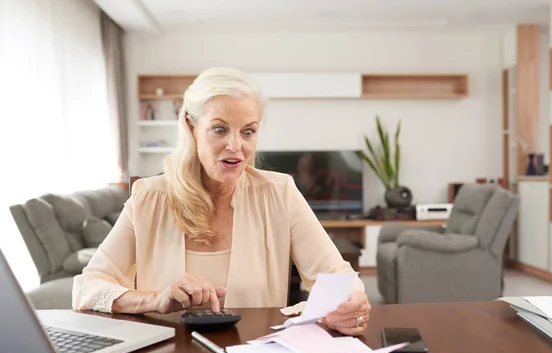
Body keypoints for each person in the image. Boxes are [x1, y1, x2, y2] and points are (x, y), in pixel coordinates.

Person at [72, 67, 371, 336]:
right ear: (191, 127)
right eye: (219, 129)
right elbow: (88, 287)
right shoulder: (149, 198)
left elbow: (337, 275)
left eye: (248, 132)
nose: (236, 146)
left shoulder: (280, 193)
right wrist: (155, 299)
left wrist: (350, 302)